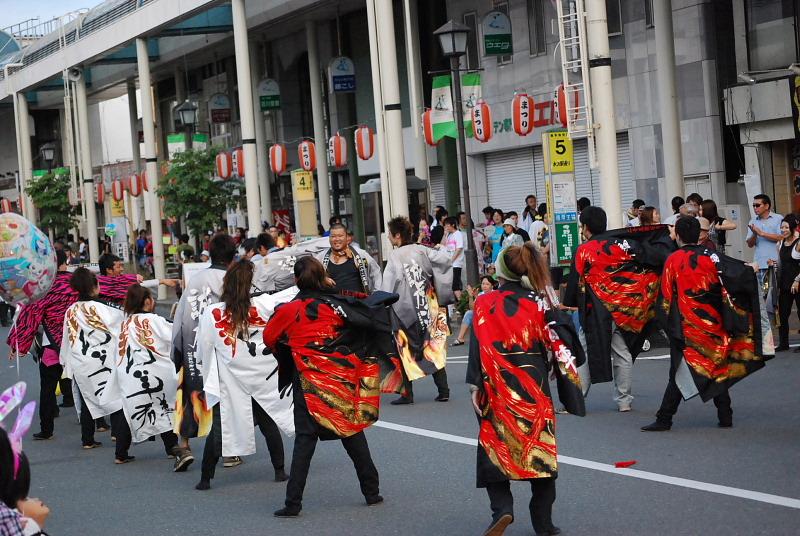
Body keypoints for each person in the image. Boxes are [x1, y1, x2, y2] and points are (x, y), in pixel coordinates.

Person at [466, 244, 585, 536]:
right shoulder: (539, 302)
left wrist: (475, 384)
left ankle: (503, 509)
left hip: (496, 383)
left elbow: (477, 346)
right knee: (539, 451)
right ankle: (543, 523)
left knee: (495, 450)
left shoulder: (484, 302)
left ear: (501, 271)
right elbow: (562, 337)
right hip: (534, 385)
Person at [264, 256, 397, 517]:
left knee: (304, 440)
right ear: (322, 277)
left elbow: (269, 337)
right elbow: (366, 312)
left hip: (308, 381)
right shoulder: (336, 305)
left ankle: (293, 503)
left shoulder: (290, 310)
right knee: (350, 431)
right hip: (339, 379)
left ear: (296, 280)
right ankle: (371, 492)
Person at [642, 217, 771, 431]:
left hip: (685, 326)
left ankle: (664, 418)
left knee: (678, 372)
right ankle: (725, 415)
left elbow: (664, 297)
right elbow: (737, 274)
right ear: (700, 235)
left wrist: (666, 325)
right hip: (714, 323)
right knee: (716, 366)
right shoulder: (712, 256)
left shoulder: (674, 260)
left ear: (680, 236)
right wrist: (751, 269)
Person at [7, 250, 146, 441]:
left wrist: (19, 344)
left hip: (52, 346)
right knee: (97, 385)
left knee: (47, 388)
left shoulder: (43, 287)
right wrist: (134, 279)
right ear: (66, 262)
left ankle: (46, 429)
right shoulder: (79, 282)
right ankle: (107, 428)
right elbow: (111, 285)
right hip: (83, 346)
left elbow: (29, 315)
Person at [195, 261, 294, 490]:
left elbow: (204, 348)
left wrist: (206, 371)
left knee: (222, 426)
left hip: (231, 379)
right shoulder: (262, 305)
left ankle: (205, 477)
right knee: (269, 421)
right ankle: (279, 470)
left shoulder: (214, 313)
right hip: (260, 375)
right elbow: (291, 297)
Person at [563, 207, 673, 412]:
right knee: (622, 352)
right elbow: (652, 257)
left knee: (585, 351)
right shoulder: (624, 243)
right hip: (626, 309)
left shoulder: (585, 249)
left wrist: (568, 301)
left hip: (596, 311)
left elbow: (576, 280)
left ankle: (577, 398)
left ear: (585, 227)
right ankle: (624, 400)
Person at [171, 234, 237, 472]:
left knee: (190, 395)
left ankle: (184, 446)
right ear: (232, 256)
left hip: (192, 347)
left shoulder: (196, 279)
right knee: (225, 399)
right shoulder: (232, 280)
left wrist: (176, 352)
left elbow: (180, 316)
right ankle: (229, 450)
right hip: (221, 349)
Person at [102, 284, 180, 464]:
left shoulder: (125, 324)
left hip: (129, 374)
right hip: (156, 373)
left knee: (130, 410)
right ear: (147, 301)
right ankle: (172, 447)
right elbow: (174, 336)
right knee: (162, 407)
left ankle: (120, 453)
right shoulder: (155, 320)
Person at [380, 216, 453, 404]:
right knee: (433, 347)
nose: (388, 237)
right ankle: (443, 390)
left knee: (403, 349)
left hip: (404, 309)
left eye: (390, 234)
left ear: (397, 236)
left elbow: (389, 284)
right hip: (428, 305)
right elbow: (444, 260)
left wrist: (380, 303)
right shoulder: (422, 250)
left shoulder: (396, 256)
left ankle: (407, 393)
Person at [59, 268, 126, 449]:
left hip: (81, 361)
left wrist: (66, 361)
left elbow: (66, 338)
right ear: (95, 286)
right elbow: (122, 326)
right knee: (115, 397)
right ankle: (118, 436)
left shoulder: (70, 311)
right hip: (104, 360)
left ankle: (87, 439)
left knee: (87, 398)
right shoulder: (104, 309)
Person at [315, 223, 382, 294]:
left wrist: (376, 294)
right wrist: (322, 279)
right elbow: (310, 277)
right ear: (329, 238)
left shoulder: (360, 254)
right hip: (332, 303)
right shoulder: (321, 257)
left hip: (358, 302)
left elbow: (376, 272)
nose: (337, 239)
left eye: (340, 236)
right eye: (333, 236)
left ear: (347, 237)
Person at [772, 215, 800, 351]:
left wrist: (797, 281)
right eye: (782, 227)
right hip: (784, 284)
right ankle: (783, 344)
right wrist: (773, 264)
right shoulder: (781, 243)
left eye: (786, 227)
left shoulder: (799, 242)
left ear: (793, 228)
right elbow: (781, 264)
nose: (783, 230)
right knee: (783, 313)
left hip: (797, 283)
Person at [746, 194, 782, 285]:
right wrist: (754, 234)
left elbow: (782, 238)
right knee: (766, 294)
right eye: (753, 205)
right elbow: (750, 244)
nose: (755, 208)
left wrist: (762, 233)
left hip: (776, 262)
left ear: (766, 206)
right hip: (760, 263)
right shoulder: (752, 221)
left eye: (757, 205)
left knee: (778, 293)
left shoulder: (778, 218)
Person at [451, 276, 496, 346]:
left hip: (491, 317)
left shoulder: (495, 294)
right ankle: (460, 338)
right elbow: (472, 308)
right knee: (469, 313)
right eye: (483, 284)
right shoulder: (481, 294)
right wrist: (471, 296)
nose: (484, 286)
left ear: (492, 286)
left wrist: (477, 298)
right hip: (482, 316)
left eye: (487, 284)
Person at [443, 217, 465, 301]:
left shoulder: (458, 234)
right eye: (445, 225)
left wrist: (451, 260)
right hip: (450, 263)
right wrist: (445, 235)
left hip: (456, 263)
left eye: (447, 225)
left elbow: (459, 248)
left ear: (453, 225)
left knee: (455, 285)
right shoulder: (449, 235)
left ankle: (462, 304)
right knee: (454, 285)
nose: (446, 227)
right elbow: (443, 245)